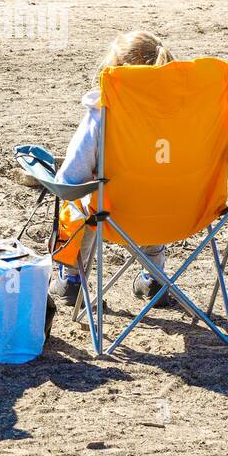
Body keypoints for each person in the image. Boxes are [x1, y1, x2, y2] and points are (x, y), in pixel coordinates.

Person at [49, 31, 181, 307]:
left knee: (79, 199)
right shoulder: (192, 112)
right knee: (158, 188)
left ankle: (72, 279)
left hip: (115, 217)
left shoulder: (103, 115)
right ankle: (154, 277)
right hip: (183, 213)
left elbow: (72, 177)